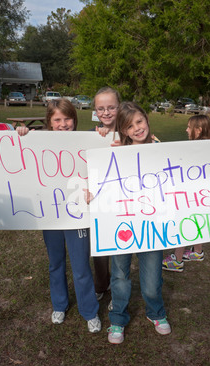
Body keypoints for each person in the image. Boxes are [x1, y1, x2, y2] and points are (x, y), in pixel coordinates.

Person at [16, 98, 101, 333]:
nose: (63, 124)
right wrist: (22, 133)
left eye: (67, 118)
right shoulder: (38, 140)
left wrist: (103, 134)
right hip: (51, 214)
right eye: (57, 119)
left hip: (77, 215)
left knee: (81, 264)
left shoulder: (87, 141)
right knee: (56, 263)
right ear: (49, 122)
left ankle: (89, 311)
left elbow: (102, 163)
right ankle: (59, 304)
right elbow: (21, 152)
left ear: (74, 118)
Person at [105, 101, 171, 344]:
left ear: (146, 119)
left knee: (152, 280)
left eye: (139, 121)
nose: (137, 128)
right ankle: (117, 319)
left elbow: (180, 183)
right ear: (123, 130)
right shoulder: (114, 152)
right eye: (129, 125)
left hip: (152, 226)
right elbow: (103, 183)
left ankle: (156, 313)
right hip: (120, 224)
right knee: (120, 275)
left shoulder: (161, 149)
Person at [162, 114, 210, 273]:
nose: (186, 130)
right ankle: (197, 251)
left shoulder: (195, 150)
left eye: (189, 127)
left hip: (193, 196)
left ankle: (177, 259)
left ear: (198, 130)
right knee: (198, 221)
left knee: (185, 225)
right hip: (204, 197)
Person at [90, 87, 121, 301]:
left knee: (120, 249)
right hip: (99, 202)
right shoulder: (93, 136)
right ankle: (102, 285)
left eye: (111, 107)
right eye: (101, 109)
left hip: (124, 202)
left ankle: (119, 290)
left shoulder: (132, 132)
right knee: (99, 250)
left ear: (120, 107)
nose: (106, 112)